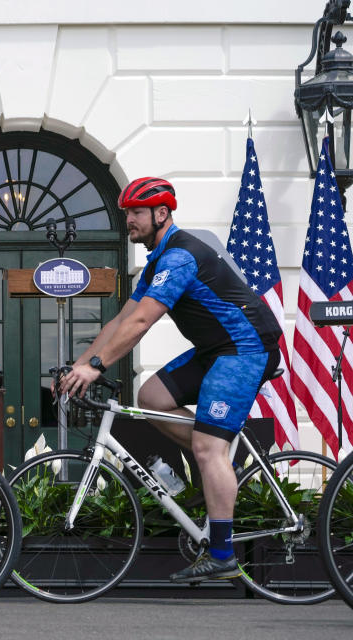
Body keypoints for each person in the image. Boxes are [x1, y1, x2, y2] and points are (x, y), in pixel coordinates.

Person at [58, 177, 282, 583]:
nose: (129, 220)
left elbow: (143, 322)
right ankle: (219, 461)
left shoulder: (180, 257)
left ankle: (222, 555)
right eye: (126, 212)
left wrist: (97, 367)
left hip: (246, 349)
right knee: (152, 396)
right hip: (216, 350)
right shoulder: (159, 260)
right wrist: (79, 366)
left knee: (207, 447)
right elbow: (122, 319)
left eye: (136, 212)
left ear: (162, 214)